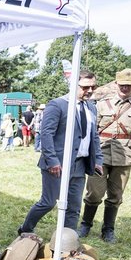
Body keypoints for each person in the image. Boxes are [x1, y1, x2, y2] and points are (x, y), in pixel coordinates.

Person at [18, 71, 103, 234]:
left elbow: (94, 136)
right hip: (57, 164)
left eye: (93, 86)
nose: (90, 90)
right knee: (48, 202)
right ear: (73, 85)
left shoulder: (91, 107)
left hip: (79, 164)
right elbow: (46, 134)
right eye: (86, 87)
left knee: (74, 206)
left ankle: (67, 241)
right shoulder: (57, 105)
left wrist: (98, 160)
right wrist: (52, 161)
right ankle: (25, 229)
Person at [79, 68, 131, 244]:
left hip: (124, 155)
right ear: (116, 83)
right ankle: (85, 224)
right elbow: (91, 130)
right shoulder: (102, 104)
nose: (125, 88)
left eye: (129, 85)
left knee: (116, 196)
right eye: (122, 85)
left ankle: (108, 229)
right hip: (100, 153)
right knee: (94, 193)